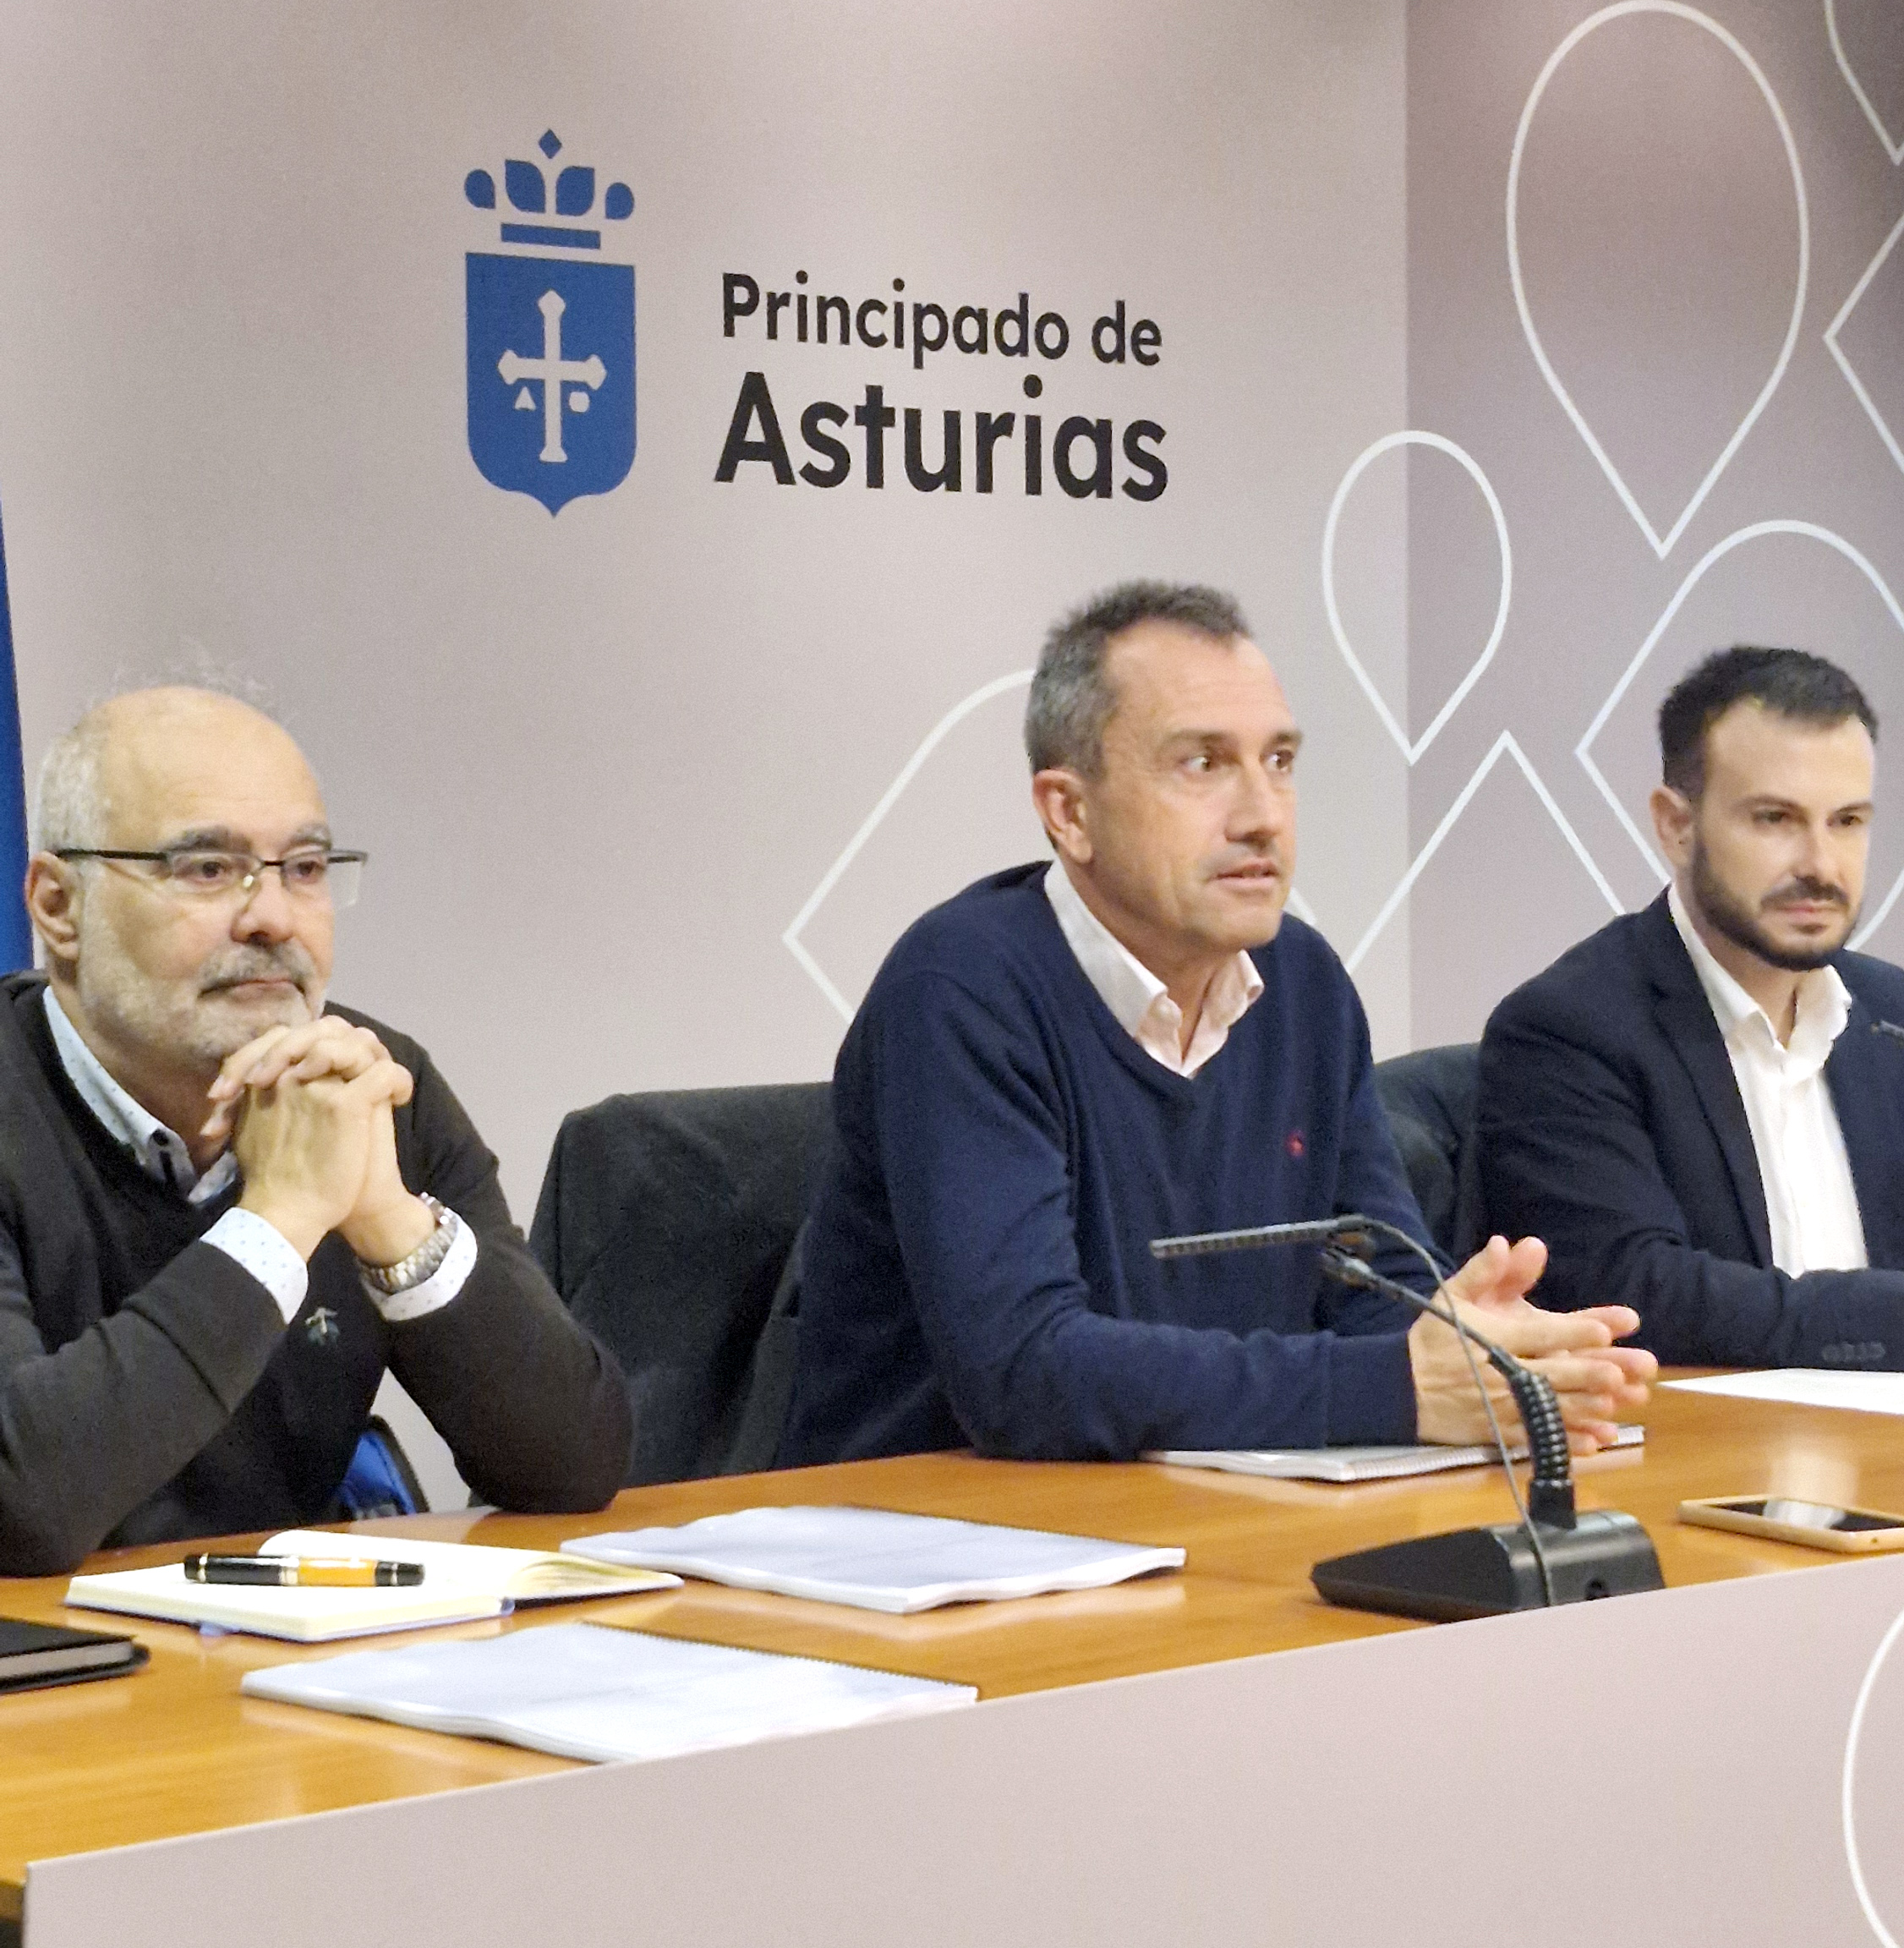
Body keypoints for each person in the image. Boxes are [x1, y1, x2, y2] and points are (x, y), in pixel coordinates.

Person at [779, 583, 1654, 1466]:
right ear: (1069, 812)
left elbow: (1373, 1285)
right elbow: (1023, 1371)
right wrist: (1393, 1386)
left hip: (1198, 1503)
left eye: (1278, 761)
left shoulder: (1302, 983)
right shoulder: (963, 988)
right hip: (923, 1523)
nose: (1262, 816)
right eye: (1202, 764)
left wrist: (1478, 1346)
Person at [0, 686, 632, 1573]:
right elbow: (20, 1506)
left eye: (303, 868)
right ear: (58, 907)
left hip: (284, 1641)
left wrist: (388, 1222)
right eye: (206, 869)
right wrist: (282, 1220)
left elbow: (573, 1466)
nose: (273, 917)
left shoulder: (370, 1085)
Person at [1479, 645, 1904, 1366]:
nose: (1820, 865)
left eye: (1847, 822)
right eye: (1775, 819)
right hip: (1698, 1435)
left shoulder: (1893, 1017)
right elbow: (1633, 1293)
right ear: (1677, 825)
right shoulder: (1567, 1029)